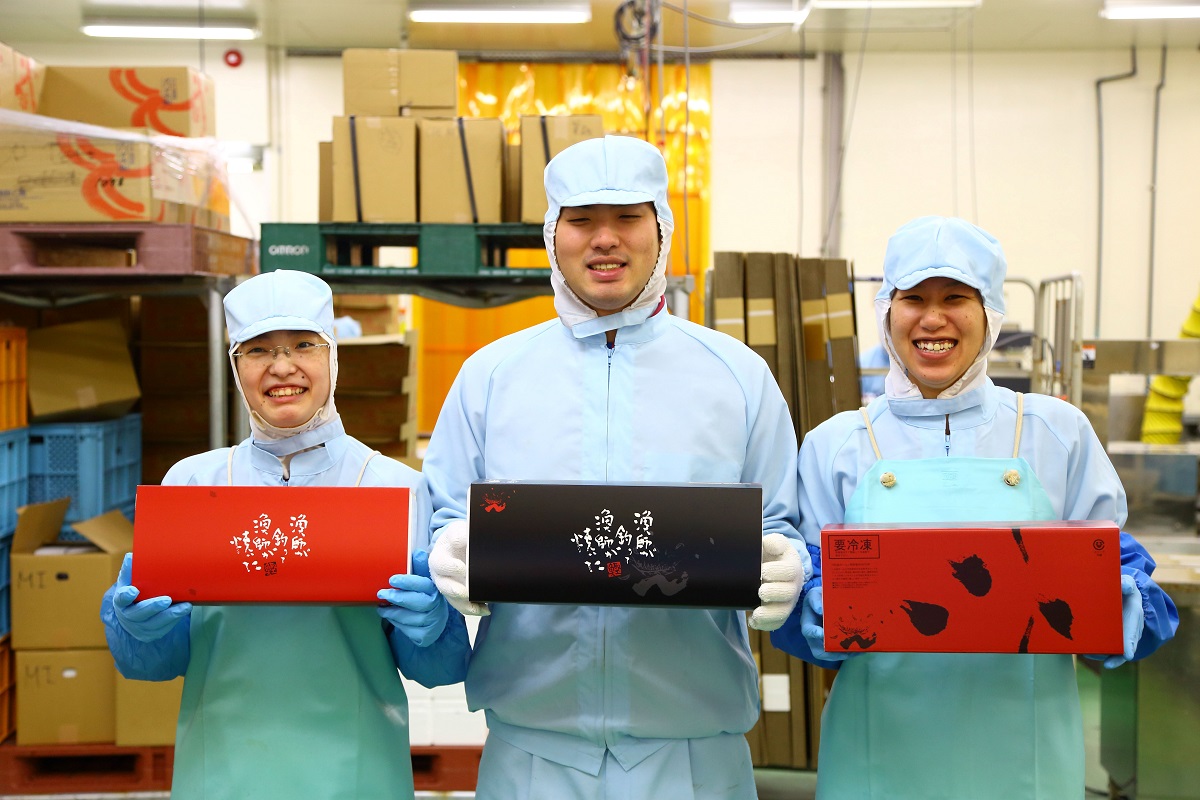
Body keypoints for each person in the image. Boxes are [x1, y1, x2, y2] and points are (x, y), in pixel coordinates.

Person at [421, 134, 809, 799]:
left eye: (628, 217)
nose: (605, 239)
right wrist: (449, 548)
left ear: (662, 228)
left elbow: (779, 521)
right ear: (553, 233)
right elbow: (446, 512)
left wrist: (786, 563)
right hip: (532, 754)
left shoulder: (736, 377)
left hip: (692, 756)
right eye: (582, 220)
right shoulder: (492, 377)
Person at [772, 215, 1179, 799]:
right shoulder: (838, 444)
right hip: (878, 755)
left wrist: (1112, 604)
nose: (932, 319)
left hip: (1028, 761)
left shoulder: (1054, 433)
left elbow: (1126, 577)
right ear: (887, 311)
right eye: (914, 298)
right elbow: (803, 601)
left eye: (955, 298)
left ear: (990, 313)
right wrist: (805, 601)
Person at [99, 270, 471, 800]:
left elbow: (437, 671)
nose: (282, 367)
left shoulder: (396, 488)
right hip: (220, 771)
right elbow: (158, 664)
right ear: (236, 367)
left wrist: (434, 629)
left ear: (332, 356)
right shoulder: (193, 484)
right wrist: (139, 628)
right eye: (257, 350)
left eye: (303, 345)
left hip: (358, 773)